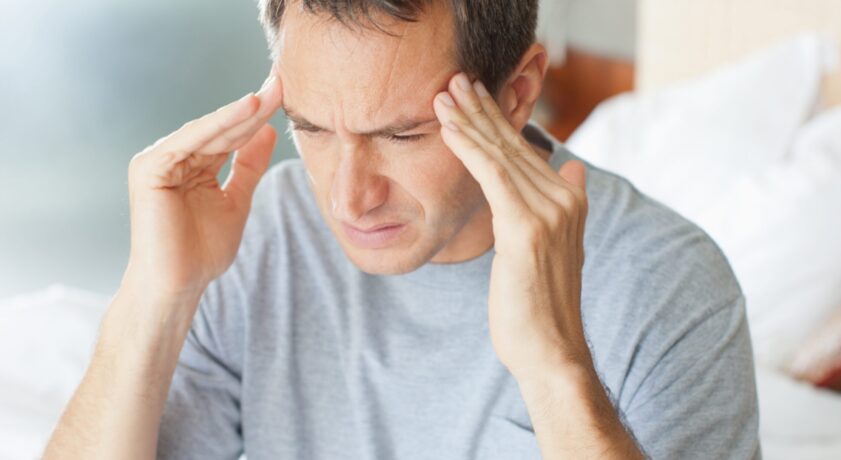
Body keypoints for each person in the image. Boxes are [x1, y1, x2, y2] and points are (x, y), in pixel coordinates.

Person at [42, 0, 761, 459]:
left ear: (516, 96)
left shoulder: (670, 286)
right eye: (313, 129)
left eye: (404, 135)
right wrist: (151, 301)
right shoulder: (265, 231)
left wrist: (554, 367)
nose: (350, 197)